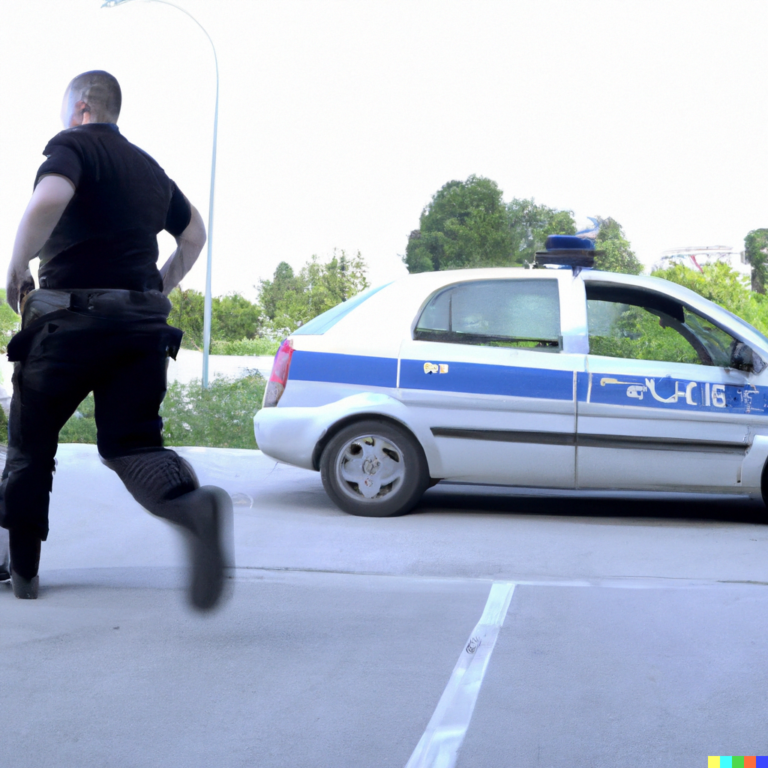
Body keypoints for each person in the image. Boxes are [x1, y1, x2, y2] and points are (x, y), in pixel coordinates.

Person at [0, 70, 232, 608]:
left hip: (70, 327)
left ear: (82, 104)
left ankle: (25, 577)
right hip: (142, 328)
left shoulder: (73, 145)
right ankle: (190, 506)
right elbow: (194, 235)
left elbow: (47, 200)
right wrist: (157, 285)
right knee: (132, 445)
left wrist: (16, 265)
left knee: (30, 447)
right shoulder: (150, 169)